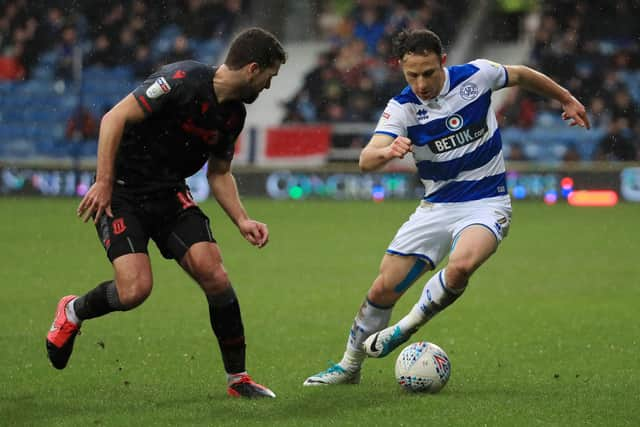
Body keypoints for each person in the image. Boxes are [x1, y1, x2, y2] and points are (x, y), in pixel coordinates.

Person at [304, 28, 589, 386]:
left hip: (486, 203)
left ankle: (404, 328)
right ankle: (349, 366)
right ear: (402, 70)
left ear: (442, 62)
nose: (421, 83)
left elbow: (520, 74)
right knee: (381, 290)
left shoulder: (476, 76)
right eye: (412, 75)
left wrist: (566, 99)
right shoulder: (403, 107)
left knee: (461, 267)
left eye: (427, 73)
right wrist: (386, 152)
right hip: (436, 207)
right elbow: (365, 159)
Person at [46, 27, 286, 399]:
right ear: (253, 69)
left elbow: (219, 173)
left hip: (170, 194)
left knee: (216, 277)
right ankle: (73, 311)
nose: (269, 86)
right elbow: (113, 118)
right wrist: (105, 182)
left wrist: (242, 219)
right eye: (270, 76)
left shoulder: (233, 116)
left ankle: (238, 380)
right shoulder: (182, 80)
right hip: (122, 192)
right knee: (135, 290)